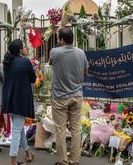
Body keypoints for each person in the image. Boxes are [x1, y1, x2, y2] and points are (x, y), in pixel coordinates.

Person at [49, 28, 88, 165]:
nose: (57, 40)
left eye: (58, 38)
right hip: (76, 95)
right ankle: (75, 160)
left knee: (60, 130)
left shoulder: (54, 52)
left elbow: (51, 64)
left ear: (62, 40)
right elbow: (86, 72)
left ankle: (63, 161)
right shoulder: (81, 52)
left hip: (59, 97)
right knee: (76, 129)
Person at [2, 39, 36, 165]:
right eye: (24, 46)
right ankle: (13, 160)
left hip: (9, 98)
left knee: (19, 128)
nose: (26, 48)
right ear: (20, 50)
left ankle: (28, 152)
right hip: (20, 100)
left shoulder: (7, 62)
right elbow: (33, 79)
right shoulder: (25, 62)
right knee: (17, 130)